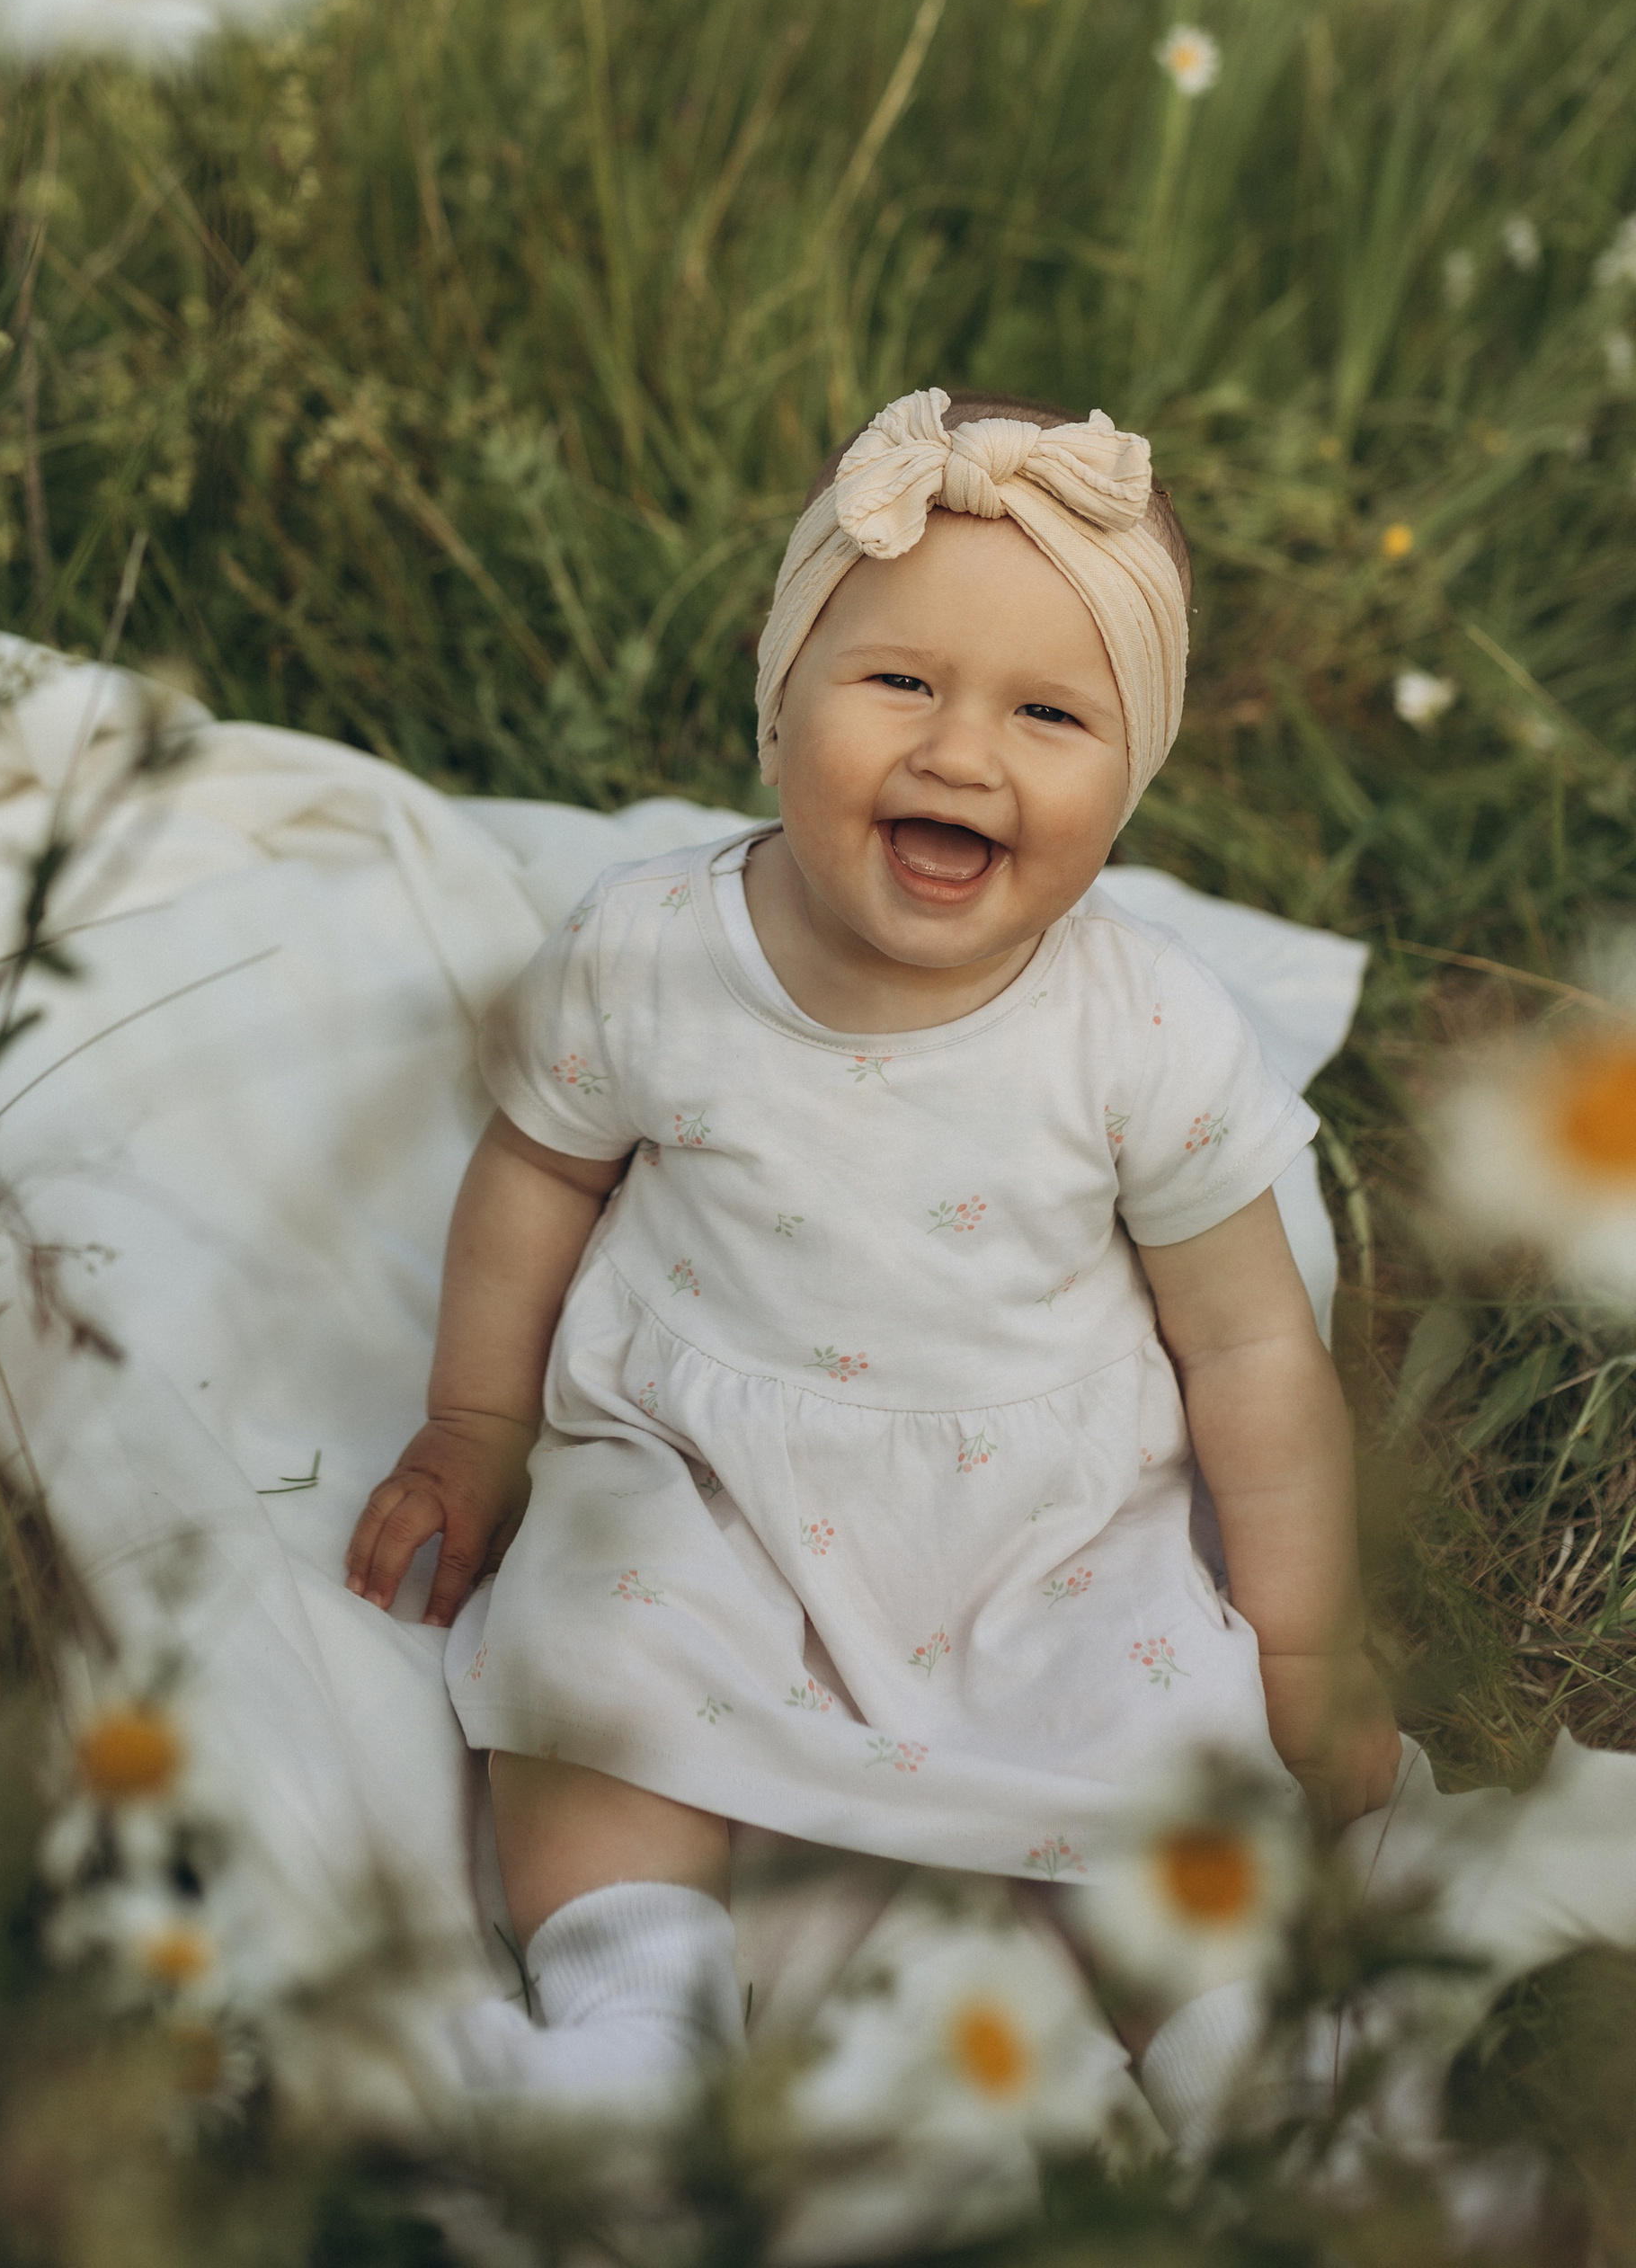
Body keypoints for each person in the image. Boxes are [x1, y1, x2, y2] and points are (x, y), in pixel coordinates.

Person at [344, 386, 1400, 2108]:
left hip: (1046, 1521)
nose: (960, 753)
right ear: (779, 707)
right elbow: (536, 1173)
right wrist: (477, 1427)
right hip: (704, 1462)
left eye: (1051, 713)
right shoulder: (649, 956)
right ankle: (634, 2027)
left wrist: (1301, 1644)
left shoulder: (1141, 1035)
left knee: (1166, 1749)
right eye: (900, 680)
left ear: (1132, 784)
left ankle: (1259, 2086)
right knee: (594, 1651)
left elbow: (1252, 1347)